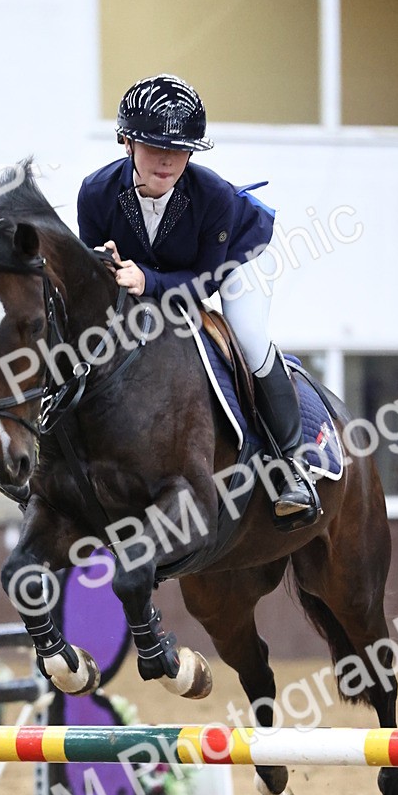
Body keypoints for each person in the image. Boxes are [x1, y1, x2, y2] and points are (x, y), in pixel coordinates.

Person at [77, 73, 318, 526]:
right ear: (126, 142)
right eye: (154, 146)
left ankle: (292, 466)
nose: (168, 160)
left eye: (181, 149)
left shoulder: (213, 196)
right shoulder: (95, 192)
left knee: (247, 336)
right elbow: (97, 273)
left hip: (232, 261)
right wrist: (103, 266)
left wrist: (146, 280)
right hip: (153, 271)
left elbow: (204, 283)